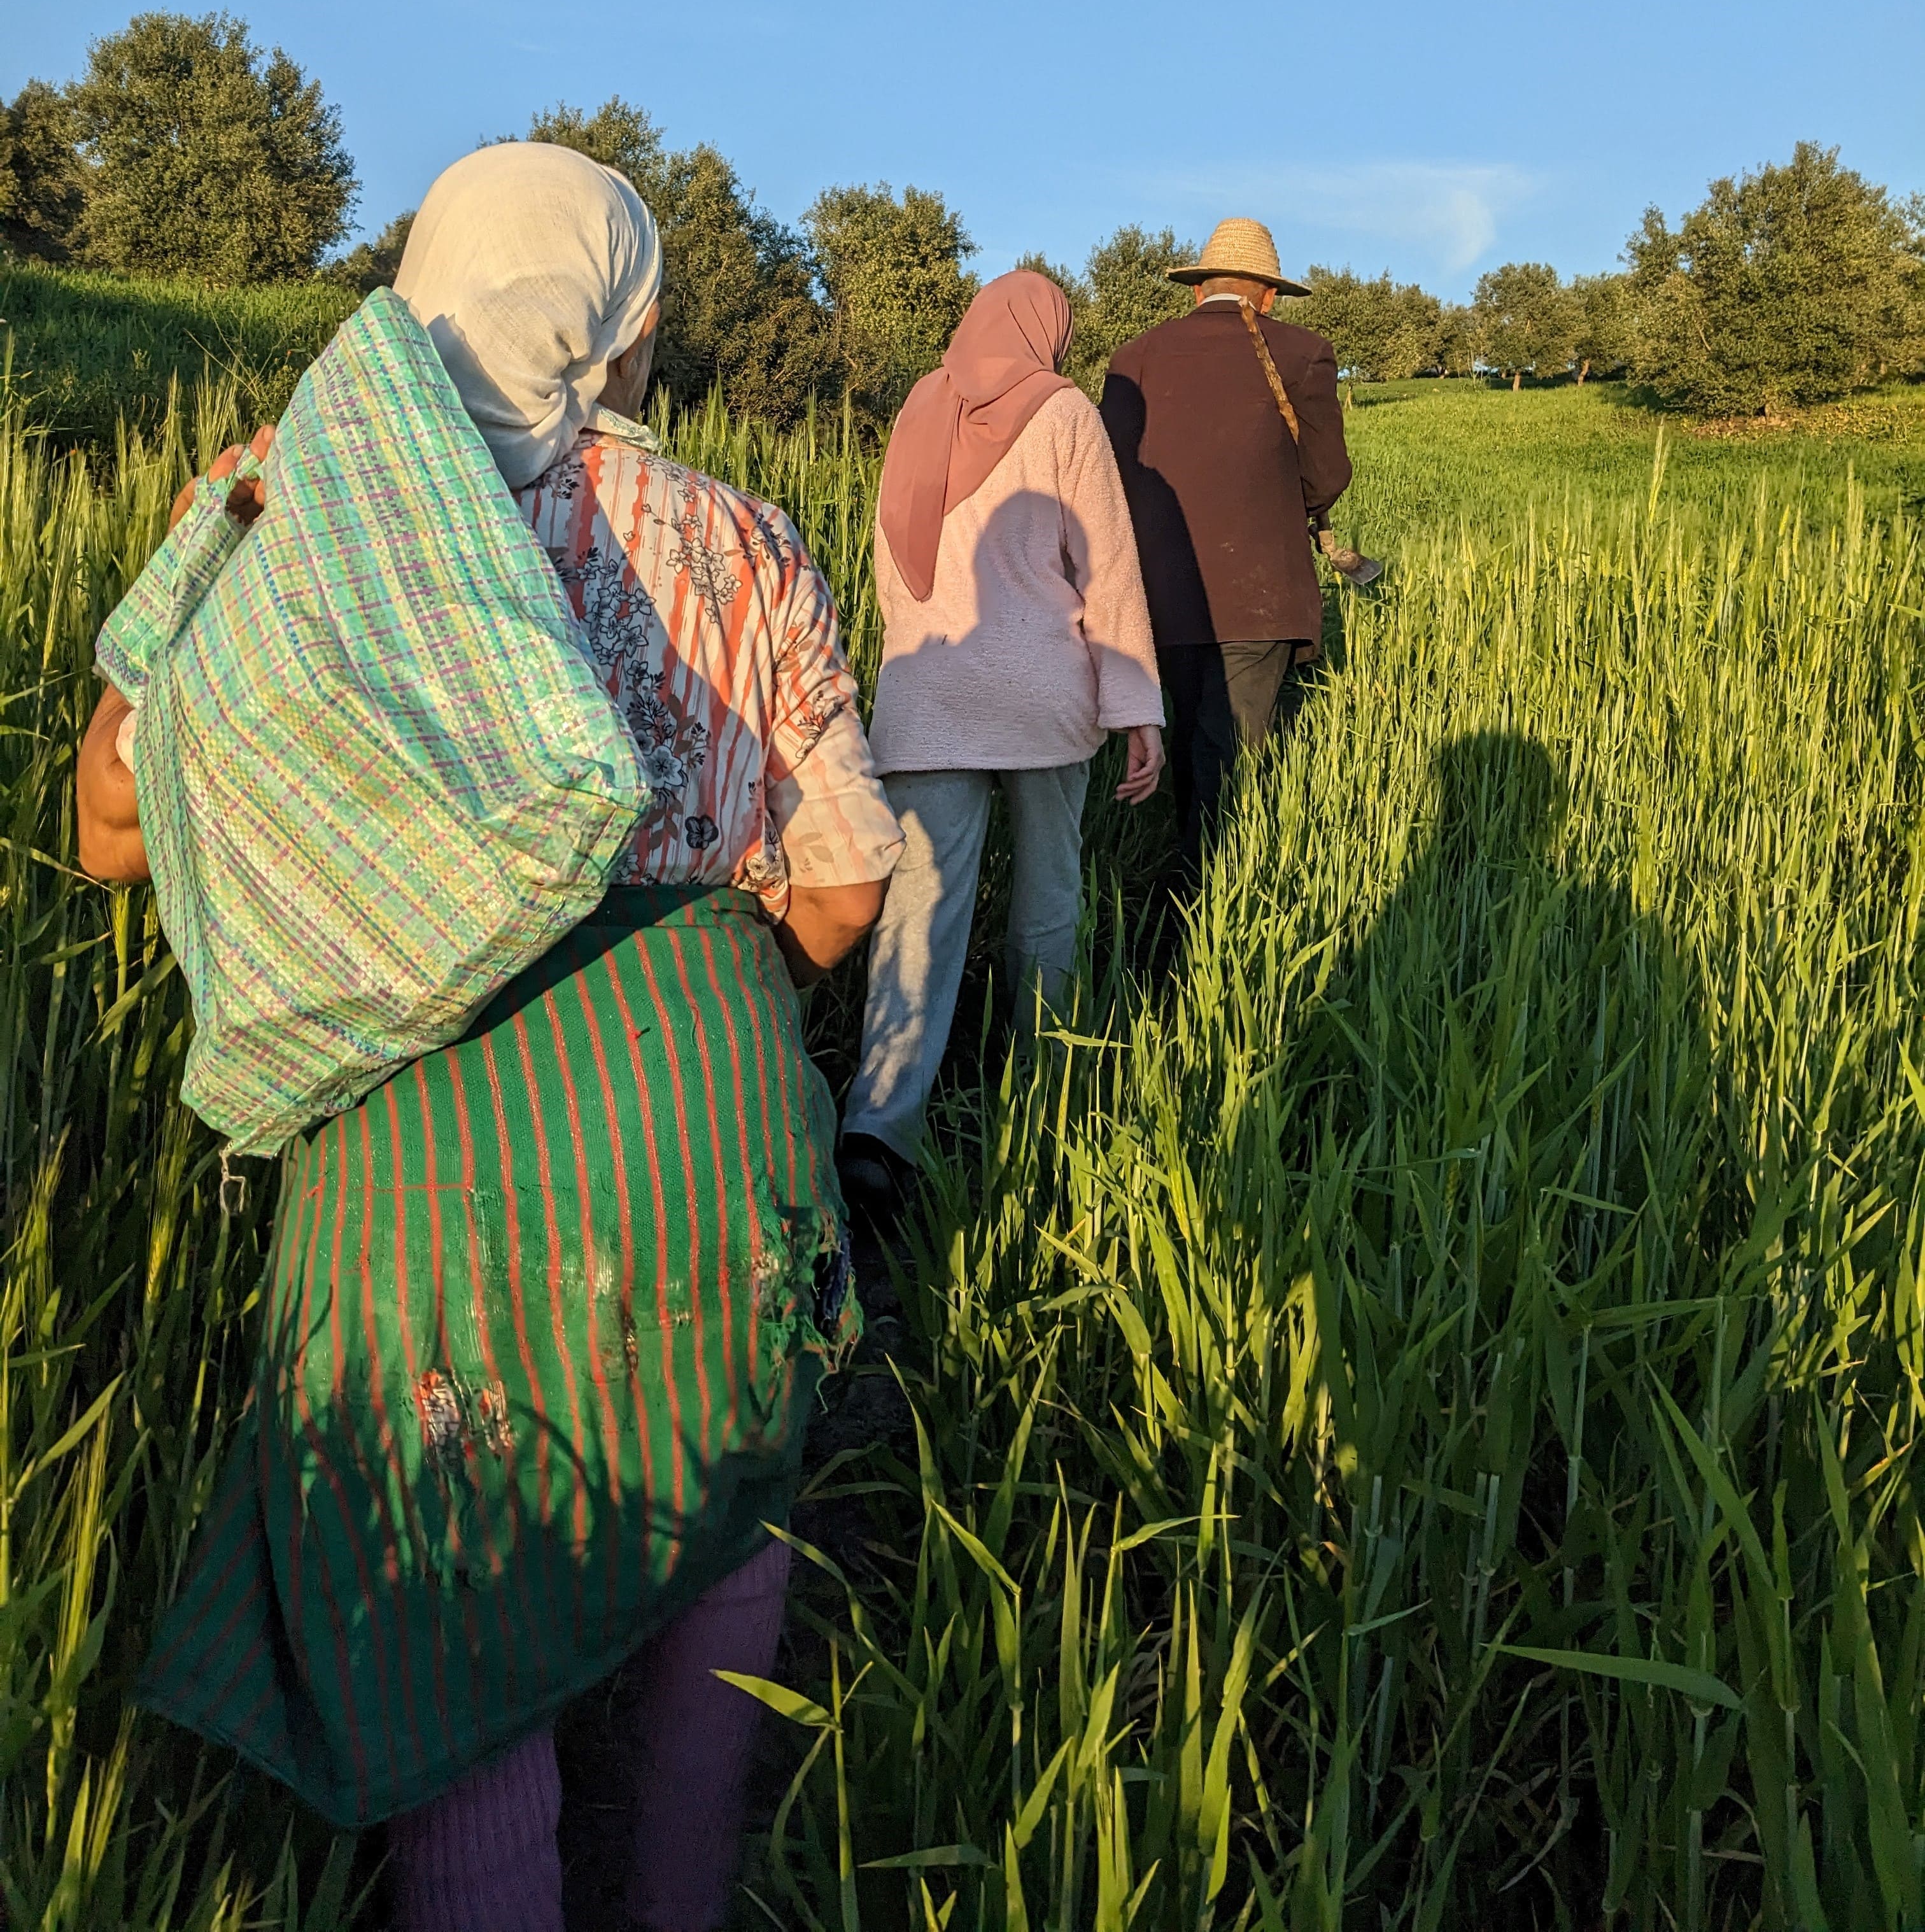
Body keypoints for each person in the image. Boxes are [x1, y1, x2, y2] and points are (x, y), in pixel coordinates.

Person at [75, 141, 904, 1932]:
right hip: (701, 1081)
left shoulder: (277, 504)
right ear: (613, 325)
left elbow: (109, 823)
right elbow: (842, 887)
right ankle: (680, 1895)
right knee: (721, 1451)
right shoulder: (744, 537)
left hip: (422, 1115)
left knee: (447, 1528)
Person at [837, 270, 1164, 1222]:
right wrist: (1135, 701)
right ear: (1046, 332)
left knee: (920, 909)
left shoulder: (918, 408)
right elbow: (1105, 564)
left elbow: (890, 550)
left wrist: (915, 664)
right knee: (1049, 903)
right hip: (1042, 696)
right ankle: (1046, 1097)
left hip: (929, 691)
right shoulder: (1064, 412)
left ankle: (878, 1127)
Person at [1098, 215, 1351, 876]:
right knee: (1233, 748)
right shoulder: (1304, 353)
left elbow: (1112, 479)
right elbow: (1327, 475)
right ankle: (1212, 893)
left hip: (1160, 590)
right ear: (1268, 294)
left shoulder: (1135, 358)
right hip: (1259, 593)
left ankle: (1186, 876)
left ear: (1197, 289)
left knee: (1189, 732)